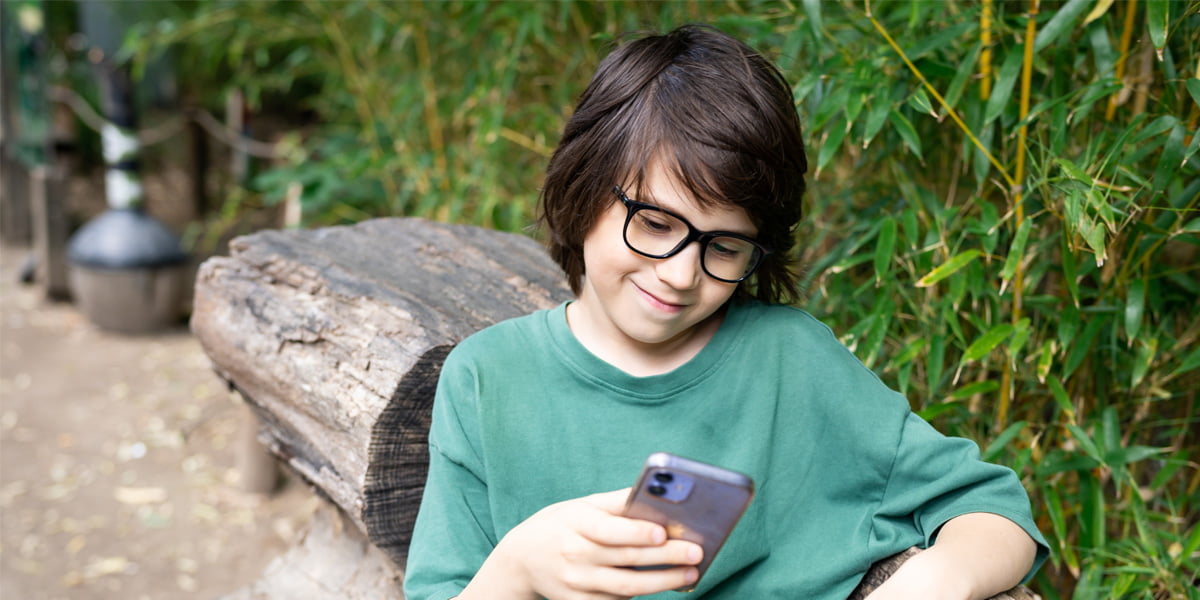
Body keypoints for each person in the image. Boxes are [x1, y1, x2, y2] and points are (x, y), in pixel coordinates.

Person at [403, 24, 1048, 600]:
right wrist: (516, 568)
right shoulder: (486, 379)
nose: (681, 275)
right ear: (584, 184)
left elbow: (993, 510)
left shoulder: (790, 362)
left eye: (725, 246)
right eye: (655, 224)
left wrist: (938, 579)